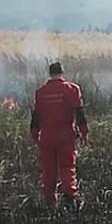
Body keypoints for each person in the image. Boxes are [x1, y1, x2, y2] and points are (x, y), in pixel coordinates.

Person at [30, 62, 89, 211]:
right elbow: (80, 113)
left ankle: (51, 204)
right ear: (62, 73)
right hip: (65, 136)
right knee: (67, 167)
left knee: (48, 171)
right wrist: (84, 132)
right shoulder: (72, 89)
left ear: (49, 74)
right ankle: (70, 200)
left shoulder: (40, 92)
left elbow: (35, 117)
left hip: (46, 137)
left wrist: (34, 135)